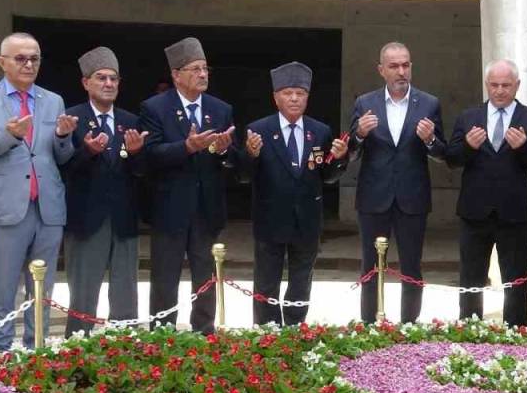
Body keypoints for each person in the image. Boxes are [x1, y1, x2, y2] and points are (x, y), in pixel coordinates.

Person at [0, 32, 78, 350]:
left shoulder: (53, 100)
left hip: (48, 205)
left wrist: (61, 136)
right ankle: (1, 354)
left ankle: (37, 350)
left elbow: (61, 156)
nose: (28, 64)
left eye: (34, 58)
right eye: (21, 58)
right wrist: (9, 135)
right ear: (2, 62)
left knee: (42, 289)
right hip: (7, 207)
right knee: (4, 288)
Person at [138, 37, 237, 334]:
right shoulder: (155, 108)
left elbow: (233, 158)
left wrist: (223, 150)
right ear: (176, 75)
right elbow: (150, 155)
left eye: (205, 69)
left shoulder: (221, 109)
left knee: (205, 276)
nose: (203, 74)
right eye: (195, 69)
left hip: (207, 208)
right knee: (165, 277)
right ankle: (163, 334)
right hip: (170, 208)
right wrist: (187, 147)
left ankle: (204, 331)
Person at [443, 59, 527, 328]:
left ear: (517, 86)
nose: (500, 90)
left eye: (506, 85)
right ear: (486, 85)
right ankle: (469, 330)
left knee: (515, 280)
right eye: (494, 85)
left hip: (514, 214)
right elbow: (452, 159)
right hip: (474, 212)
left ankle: (515, 332)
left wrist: (524, 148)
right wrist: (468, 145)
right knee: (471, 278)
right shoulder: (469, 117)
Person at [241, 62, 348, 326]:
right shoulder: (259, 130)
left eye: (300, 93)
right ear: (275, 97)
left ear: (307, 97)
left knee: (301, 280)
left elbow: (327, 175)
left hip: (307, 220)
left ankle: (295, 329)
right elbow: (243, 175)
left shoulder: (319, 131)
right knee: (266, 281)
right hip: (269, 219)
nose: (294, 98)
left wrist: (339, 159)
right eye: (288, 93)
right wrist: (250, 155)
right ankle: (267, 331)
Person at [347, 42, 444, 323]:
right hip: (373, 197)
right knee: (370, 266)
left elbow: (443, 153)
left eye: (406, 65)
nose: (402, 71)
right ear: (381, 70)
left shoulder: (429, 103)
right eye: (394, 66)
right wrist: (360, 135)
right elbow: (351, 153)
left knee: (412, 266)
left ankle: (409, 327)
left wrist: (430, 139)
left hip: (412, 198)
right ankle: (368, 325)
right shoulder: (365, 103)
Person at [61, 47, 148, 335]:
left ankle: (125, 353)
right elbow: (63, 169)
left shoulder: (131, 121)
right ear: (86, 82)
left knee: (126, 296)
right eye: (101, 78)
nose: (108, 84)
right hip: (86, 220)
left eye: (113, 79)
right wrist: (87, 151)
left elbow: (142, 173)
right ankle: (77, 354)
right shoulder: (71, 119)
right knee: (83, 296)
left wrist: (136, 154)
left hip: (123, 220)